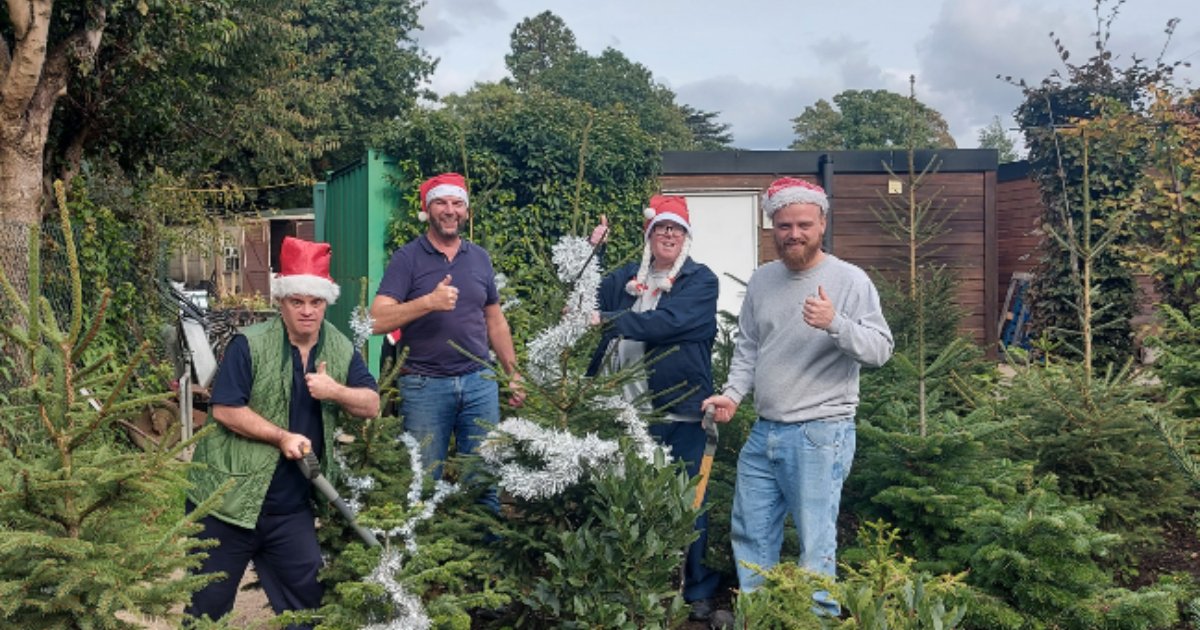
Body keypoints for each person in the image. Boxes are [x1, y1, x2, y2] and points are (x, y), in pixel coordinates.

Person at [701, 177, 893, 610]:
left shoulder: (849, 280)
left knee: (815, 544)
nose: (794, 233)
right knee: (750, 532)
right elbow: (749, 346)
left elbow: (880, 349)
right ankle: (760, 615)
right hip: (764, 431)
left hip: (821, 434)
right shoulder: (763, 281)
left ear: (822, 222)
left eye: (804, 223)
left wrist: (835, 323)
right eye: (784, 225)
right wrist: (733, 395)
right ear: (772, 226)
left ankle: (816, 620)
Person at [186, 236, 380, 628]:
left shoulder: (340, 349)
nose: (307, 311)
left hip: (290, 509)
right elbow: (225, 409)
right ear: (282, 302)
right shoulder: (250, 345)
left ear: (326, 302)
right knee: (207, 612)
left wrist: (336, 391)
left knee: (308, 612)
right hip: (227, 502)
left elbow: (371, 404)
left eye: (316, 302)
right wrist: (281, 436)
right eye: (298, 301)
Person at [585, 196, 722, 621]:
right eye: (660, 228)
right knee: (625, 501)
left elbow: (670, 323)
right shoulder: (627, 280)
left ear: (685, 238)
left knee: (687, 502)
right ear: (648, 235)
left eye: (676, 229)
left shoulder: (700, 281)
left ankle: (695, 587)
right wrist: (594, 250)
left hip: (681, 410)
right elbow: (583, 294)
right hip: (625, 414)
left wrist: (609, 321)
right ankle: (632, 584)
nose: (667, 234)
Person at [370, 172, 523, 502]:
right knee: (422, 484)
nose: (450, 210)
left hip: (479, 381)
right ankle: (424, 552)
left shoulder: (479, 257)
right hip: (424, 386)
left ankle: (486, 550)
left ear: (466, 212)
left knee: (484, 481)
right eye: (441, 202)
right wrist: (428, 303)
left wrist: (512, 373)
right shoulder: (406, 258)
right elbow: (376, 320)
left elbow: (495, 321)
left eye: (457, 203)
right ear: (428, 210)